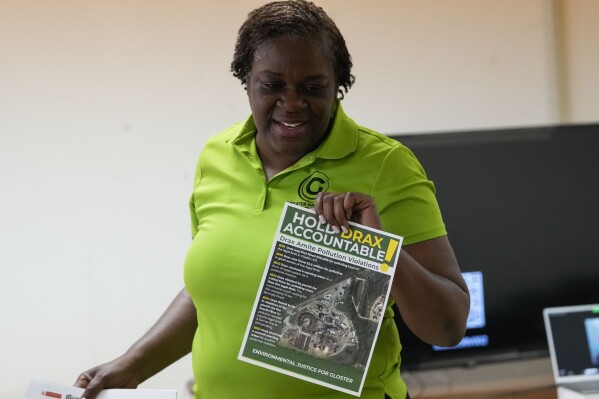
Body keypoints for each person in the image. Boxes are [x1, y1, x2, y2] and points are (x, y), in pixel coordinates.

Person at [74, 1, 470, 398]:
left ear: (339, 85)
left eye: (313, 87)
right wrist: (132, 363)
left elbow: (448, 328)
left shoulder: (386, 165)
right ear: (246, 81)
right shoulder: (217, 156)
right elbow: (210, 293)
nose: (293, 102)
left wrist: (380, 249)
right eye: (272, 85)